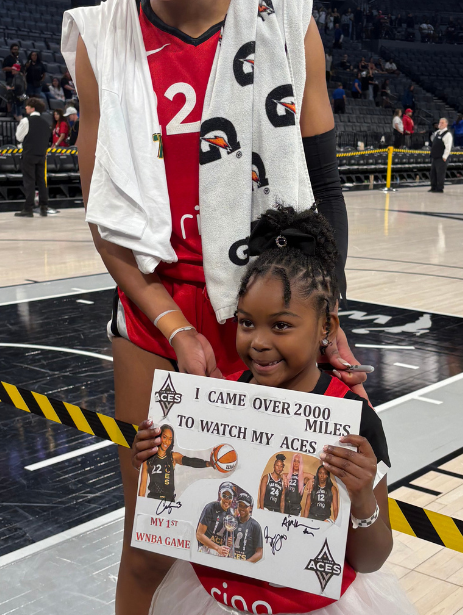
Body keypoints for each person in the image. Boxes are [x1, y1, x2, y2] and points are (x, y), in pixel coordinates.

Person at [64, 0, 361, 614]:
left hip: (263, 312)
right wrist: (170, 322)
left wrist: (329, 313)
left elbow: (323, 190)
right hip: (154, 317)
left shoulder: (286, 21)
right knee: (150, 544)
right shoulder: (103, 39)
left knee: (280, 545)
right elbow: (106, 215)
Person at [136, 207, 412, 615]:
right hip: (218, 598)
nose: (258, 342)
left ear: (326, 327)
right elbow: (180, 501)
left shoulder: (354, 421)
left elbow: (372, 559)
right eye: (247, 323)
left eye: (280, 325)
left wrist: (361, 497)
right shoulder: (218, 402)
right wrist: (156, 459)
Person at [137, 424, 211, 500]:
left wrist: (207, 463)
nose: (167, 442)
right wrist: (140, 505)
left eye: (170, 439)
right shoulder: (149, 458)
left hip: (169, 501)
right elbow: (142, 487)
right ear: (159, 436)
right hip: (153, 498)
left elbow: (189, 461)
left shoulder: (173, 456)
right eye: (165, 437)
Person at [14, 96, 51, 218]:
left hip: (29, 154)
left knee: (29, 181)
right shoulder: (46, 123)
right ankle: (44, 207)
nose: (26, 108)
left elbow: (19, 137)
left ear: (32, 108)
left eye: (27, 106)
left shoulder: (26, 121)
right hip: (41, 154)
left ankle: (28, 208)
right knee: (41, 181)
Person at [429, 117, 453, 193]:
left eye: (442, 123)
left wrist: (445, 156)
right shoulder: (437, 132)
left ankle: (440, 188)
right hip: (435, 156)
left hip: (441, 157)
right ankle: (433, 187)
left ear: (446, 124)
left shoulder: (447, 134)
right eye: (440, 122)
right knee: (433, 173)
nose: (440, 124)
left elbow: (448, 147)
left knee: (440, 173)